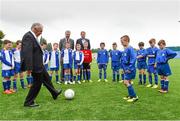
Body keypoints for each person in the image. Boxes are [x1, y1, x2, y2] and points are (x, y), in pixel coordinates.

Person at [21, 23, 62, 107]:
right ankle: (28, 102)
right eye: (40, 31)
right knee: (37, 83)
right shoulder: (28, 36)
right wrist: (29, 67)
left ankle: (54, 93)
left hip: (39, 64)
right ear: (35, 29)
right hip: (34, 65)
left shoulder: (33, 37)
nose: (41, 33)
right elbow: (27, 53)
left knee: (46, 78)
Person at [121, 35, 138, 103]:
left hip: (130, 69)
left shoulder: (130, 48)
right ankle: (130, 95)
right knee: (129, 82)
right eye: (121, 42)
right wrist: (123, 68)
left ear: (127, 41)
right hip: (126, 69)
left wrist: (129, 68)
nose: (121, 43)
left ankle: (134, 96)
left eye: (122, 41)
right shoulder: (125, 49)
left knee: (126, 82)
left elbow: (133, 59)